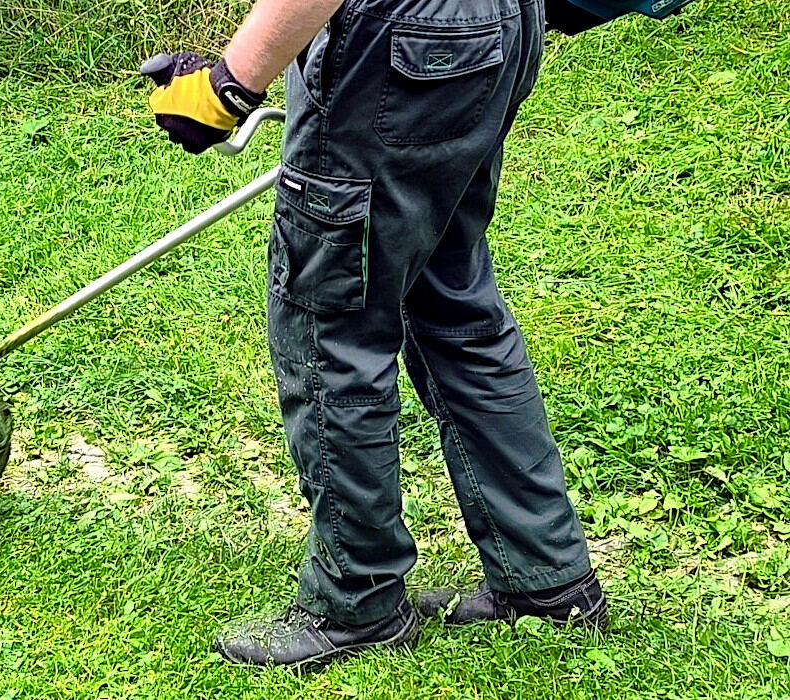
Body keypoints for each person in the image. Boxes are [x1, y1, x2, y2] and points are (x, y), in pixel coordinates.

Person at [144, 0, 607, 668]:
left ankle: (354, 603)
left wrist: (228, 85)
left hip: (402, 46)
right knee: (454, 305)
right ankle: (546, 577)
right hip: (494, 27)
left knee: (332, 320)